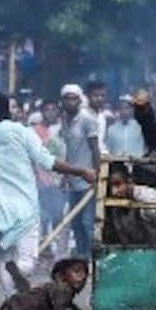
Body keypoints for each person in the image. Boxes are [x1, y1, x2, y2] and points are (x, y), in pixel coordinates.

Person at [0, 82, 96, 293]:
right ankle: (18, 274)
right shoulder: (22, 132)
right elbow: (49, 162)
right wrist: (81, 171)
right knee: (27, 261)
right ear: (8, 111)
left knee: (5, 258)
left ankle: (12, 300)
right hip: (23, 207)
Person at [58, 84, 100, 256]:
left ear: (79, 100)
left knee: (87, 222)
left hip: (88, 179)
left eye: (73, 98)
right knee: (75, 223)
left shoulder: (87, 119)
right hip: (73, 181)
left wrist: (97, 175)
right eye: (66, 98)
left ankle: (92, 259)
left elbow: (95, 149)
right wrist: (65, 174)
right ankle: (82, 258)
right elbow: (68, 148)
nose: (70, 102)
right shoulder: (65, 120)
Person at [34, 99, 67, 257]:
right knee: (43, 216)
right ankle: (45, 246)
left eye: (52, 109)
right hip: (41, 178)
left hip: (58, 178)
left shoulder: (63, 129)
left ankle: (58, 246)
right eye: (46, 110)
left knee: (57, 214)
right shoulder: (36, 131)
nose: (49, 113)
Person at [84, 80, 109, 145]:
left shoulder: (102, 118)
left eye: (102, 95)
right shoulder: (83, 116)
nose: (99, 98)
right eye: (95, 95)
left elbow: (100, 142)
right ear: (88, 96)